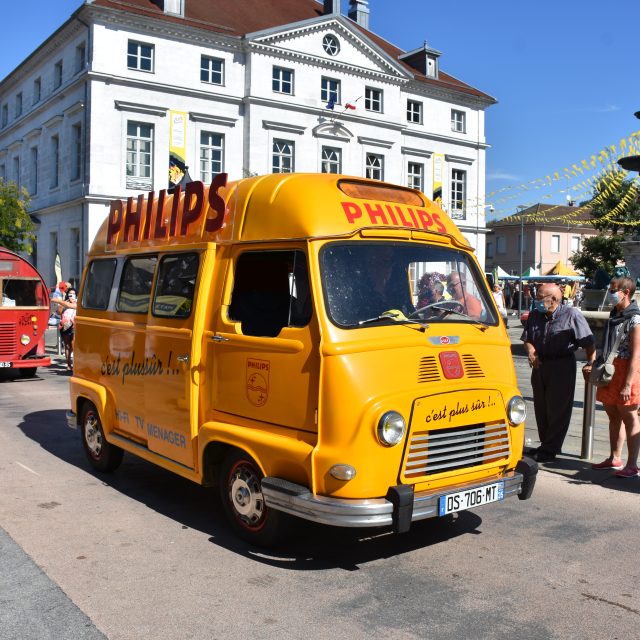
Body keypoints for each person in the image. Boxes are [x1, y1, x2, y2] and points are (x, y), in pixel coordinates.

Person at [521, 283, 596, 462]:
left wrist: (591, 363)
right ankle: (546, 443)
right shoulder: (535, 315)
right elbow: (527, 338)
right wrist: (531, 351)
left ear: (553, 299)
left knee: (558, 409)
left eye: (539, 298)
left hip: (561, 365)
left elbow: (589, 342)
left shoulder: (572, 315)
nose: (536, 301)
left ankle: (551, 448)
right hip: (540, 365)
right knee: (541, 408)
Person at [587, 277, 640, 478]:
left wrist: (628, 384)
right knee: (613, 415)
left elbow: (636, 354)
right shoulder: (614, 314)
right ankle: (614, 457)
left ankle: (632, 464)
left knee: (629, 415)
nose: (610, 293)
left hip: (627, 370)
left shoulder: (635, 318)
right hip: (611, 369)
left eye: (613, 289)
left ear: (625, 292)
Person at [57, 288, 77, 370]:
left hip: (74, 326)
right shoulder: (64, 303)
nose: (71, 295)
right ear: (67, 295)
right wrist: (64, 303)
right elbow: (58, 312)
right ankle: (68, 364)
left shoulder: (78, 303)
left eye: (73, 294)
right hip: (65, 326)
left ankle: (73, 362)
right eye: (70, 294)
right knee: (67, 345)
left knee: (73, 345)